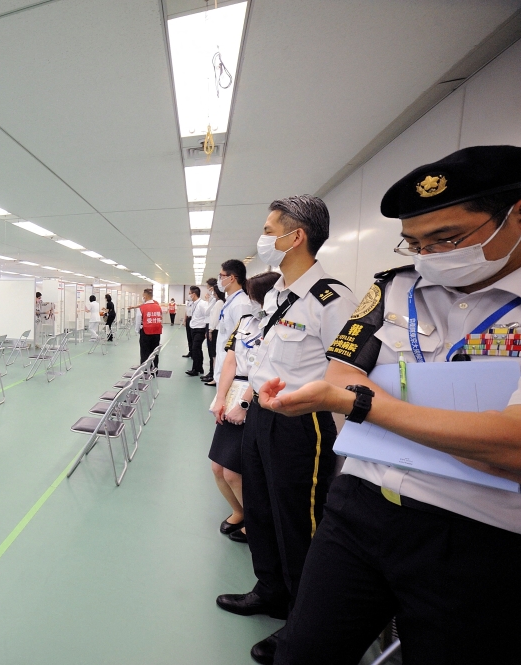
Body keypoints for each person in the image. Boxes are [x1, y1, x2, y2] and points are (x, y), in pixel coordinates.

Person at [259, 146, 521, 664]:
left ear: (515, 214)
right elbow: (341, 373)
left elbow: (511, 447)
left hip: (480, 532)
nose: (427, 254)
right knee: (304, 652)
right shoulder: (391, 291)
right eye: (414, 242)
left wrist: (366, 406)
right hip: (360, 503)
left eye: (447, 238)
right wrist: (464, 434)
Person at [215, 195, 357, 664]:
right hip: (260, 415)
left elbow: (347, 375)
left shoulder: (333, 299)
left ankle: (300, 618)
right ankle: (271, 589)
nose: (263, 238)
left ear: (296, 237)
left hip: (304, 424)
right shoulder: (276, 294)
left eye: (269, 229)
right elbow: (264, 359)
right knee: (261, 507)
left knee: (300, 521)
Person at [208, 271, 279, 546]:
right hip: (233, 394)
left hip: (257, 397)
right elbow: (230, 362)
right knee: (217, 467)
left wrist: (245, 405)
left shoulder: (276, 325)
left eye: (252, 296)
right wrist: (221, 398)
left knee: (234, 471)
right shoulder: (246, 322)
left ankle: (256, 521)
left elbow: (265, 368)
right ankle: (239, 511)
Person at [212, 260, 251, 389]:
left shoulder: (241, 304)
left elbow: (241, 343)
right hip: (224, 365)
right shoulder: (231, 301)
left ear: (231, 278)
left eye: (221, 276)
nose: (219, 280)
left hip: (233, 373)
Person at [202, 278, 225, 385]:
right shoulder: (217, 301)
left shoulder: (219, 302)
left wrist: (210, 330)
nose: (212, 293)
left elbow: (214, 317)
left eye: (213, 291)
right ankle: (212, 374)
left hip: (214, 330)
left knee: (214, 354)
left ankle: (214, 376)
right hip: (213, 329)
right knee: (212, 354)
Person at [135, 287, 163, 369]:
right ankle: (155, 368)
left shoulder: (142, 307)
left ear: (145, 296)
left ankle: (144, 369)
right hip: (157, 332)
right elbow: (160, 318)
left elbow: (138, 320)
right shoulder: (158, 307)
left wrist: (137, 330)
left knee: (145, 352)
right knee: (154, 352)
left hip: (146, 332)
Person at [187, 286, 209, 376]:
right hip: (193, 328)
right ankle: (200, 368)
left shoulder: (202, 304)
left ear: (194, 294)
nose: (188, 295)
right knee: (197, 349)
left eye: (189, 293)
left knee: (195, 348)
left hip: (200, 329)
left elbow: (207, 316)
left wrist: (206, 331)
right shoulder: (193, 303)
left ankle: (195, 370)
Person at [181, 290, 197, 358]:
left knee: (193, 337)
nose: (189, 295)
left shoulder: (195, 303)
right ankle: (190, 352)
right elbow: (186, 312)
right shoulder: (188, 303)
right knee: (189, 337)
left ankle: (194, 353)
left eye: (190, 293)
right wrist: (184, 320)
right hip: (188, 319)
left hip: (193, 320)